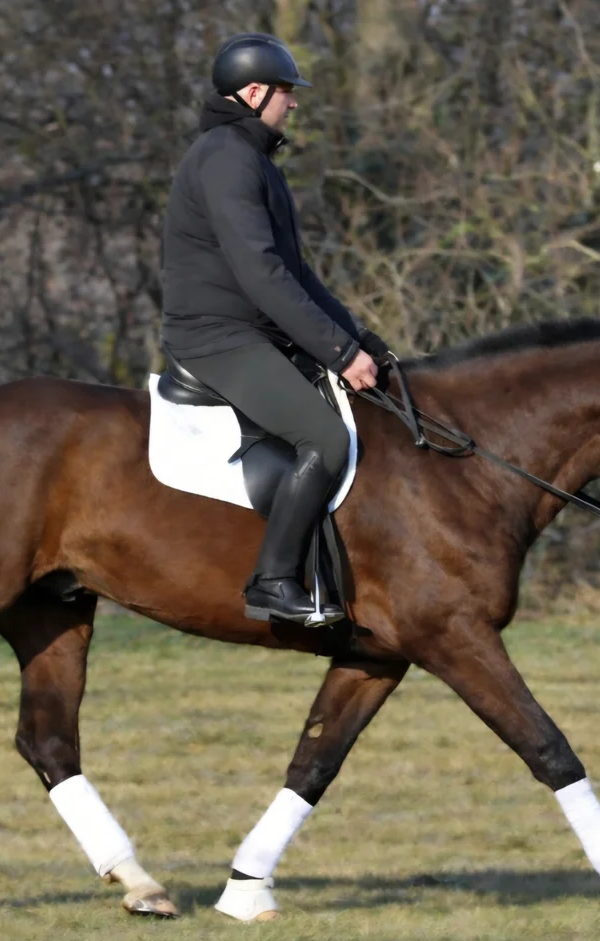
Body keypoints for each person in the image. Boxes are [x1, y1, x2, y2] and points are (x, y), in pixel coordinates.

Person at [160, 32, 391, 624]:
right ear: (255, 92)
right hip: (218, 339)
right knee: (328, 440)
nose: (294, 103)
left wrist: (359, 339)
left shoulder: (252, 159)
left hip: (248, 333)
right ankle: (273, 581)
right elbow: (262, 276)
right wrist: (339, 353)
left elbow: (296, 274)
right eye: (286, 92)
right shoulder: (226, 159)